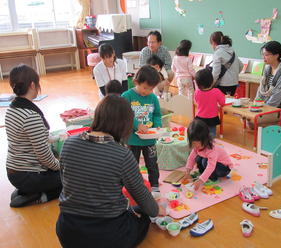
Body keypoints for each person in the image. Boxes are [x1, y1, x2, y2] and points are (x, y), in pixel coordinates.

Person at [56, 95, 163, 248]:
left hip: (68, 231)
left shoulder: (69, 143)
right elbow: (141, 194)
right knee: (145, 215)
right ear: (124, 125)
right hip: (107, 236)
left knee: (136, 209)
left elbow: (66, 181)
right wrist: (157, 210)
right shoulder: (122, 154)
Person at [5, 65, 62, 208]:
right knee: (74, 177)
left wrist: (56, 138)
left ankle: (25, 191)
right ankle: (40, 196)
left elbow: (31, 138)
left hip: (14, 171)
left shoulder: (12, 108)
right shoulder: (30, 115)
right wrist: (62, 167)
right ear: (32, 85)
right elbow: (44, 155)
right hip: (29, 175)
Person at [122, 65, 162, 192]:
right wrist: (137, 125)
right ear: (136, 82)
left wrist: (157, 125)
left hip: (149, 139)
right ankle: (134, 186)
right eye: (145, 87)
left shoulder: (153, 97)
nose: (147, 91)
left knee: (152, 164)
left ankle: (155, 185)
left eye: (151, 89)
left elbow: (157, 114)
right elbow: (124, 115)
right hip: (132, 139)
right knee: (132, 165)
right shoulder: (127, 96)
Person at [181, 119, 233, 191]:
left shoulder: (212, 150)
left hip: (224, 168)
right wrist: (187, 172)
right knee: (198, 158)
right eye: (194, 145)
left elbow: (211, 166)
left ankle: (212, 176)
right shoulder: (196, 147)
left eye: (198, 146)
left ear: (205, 140)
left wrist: (200, 180)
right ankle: (205, 174)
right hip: (213, 164)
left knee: (205, 162)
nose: (196, 148)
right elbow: (191, 158)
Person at [256, 41, 281, 123]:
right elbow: (261, 90)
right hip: (267, 107)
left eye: (266, 55)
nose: (263, 57)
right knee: (247, 119)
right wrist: (255, 105)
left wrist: (261, 111)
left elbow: (276, 98)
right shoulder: (267, 68)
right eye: (263, 54)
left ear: (276, 55)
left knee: (253, 121)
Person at [209, 31, 243, 96]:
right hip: (234, 84)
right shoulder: (231, 51)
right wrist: (232, 74)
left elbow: (216, 72)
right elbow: (241, 65)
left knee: (221, 104)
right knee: (229, 104)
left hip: (223, 85)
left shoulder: (218, 53)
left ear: (213, 42)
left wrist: (210, 85)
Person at [194, 68, 225, 137]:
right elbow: (222, 103)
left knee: (201, 136)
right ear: (211, 80)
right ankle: (210, 147)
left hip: (200, 118)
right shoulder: (216, 91)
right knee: (211, 137)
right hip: (212, 119)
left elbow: (196, 101)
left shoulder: (197, 92)